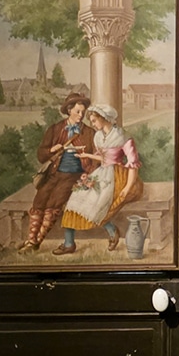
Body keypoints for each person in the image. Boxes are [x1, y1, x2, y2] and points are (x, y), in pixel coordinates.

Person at [58, 102, 143, 254]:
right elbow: (103, 158)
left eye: (94, 120)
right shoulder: (98, 136)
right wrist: (86, 155)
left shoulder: (122, 136)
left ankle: (111, 231)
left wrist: (127, 188)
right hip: (102, 172)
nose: (93, 124)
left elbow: (133, 164)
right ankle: (69, 243)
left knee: (97, 203)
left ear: (104, 118)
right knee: (76, 198)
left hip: (118, 176)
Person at [20, 92, 95, 253]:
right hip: (54, 173)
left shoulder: (89, 133)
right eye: (77, 111)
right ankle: (31, 239)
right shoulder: (55, 129)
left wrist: (88, 174)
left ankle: (35, 243)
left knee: (54, 203)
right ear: (69, 110)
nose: (81, 115)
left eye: (83, 112)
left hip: (74, 176)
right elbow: (41, 155)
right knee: (39, 201)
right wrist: (51, 150)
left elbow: (96, 158)